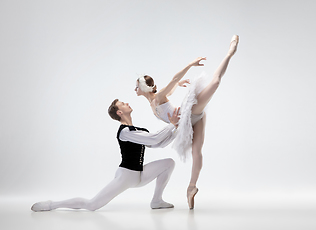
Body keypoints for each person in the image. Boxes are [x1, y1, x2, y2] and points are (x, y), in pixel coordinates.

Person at [134, 35, 239, 209]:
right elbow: (173, 87)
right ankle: (191, 188)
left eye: (137, 86)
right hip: (189, 123)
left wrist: (190, 65)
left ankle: (230, 52)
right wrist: (178, 85)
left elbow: (173, 80)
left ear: (144, 88)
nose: (135, 89)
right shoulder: (154, 103)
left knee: (215, 82)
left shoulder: (158, 97)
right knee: (197, 152)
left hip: (190, 112)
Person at [31, 100, 180, 212]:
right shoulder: (124, 132)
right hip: (126, 176)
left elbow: (157, 144)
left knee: (169, 163)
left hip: (139, 175)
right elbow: (154, 138)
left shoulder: (139, 130)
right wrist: (172, 125)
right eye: (122, 103)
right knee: (92, 205)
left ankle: (156, 200)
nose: (126, 103)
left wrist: (177, 130)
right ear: (119, 112)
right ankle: (52, 204)